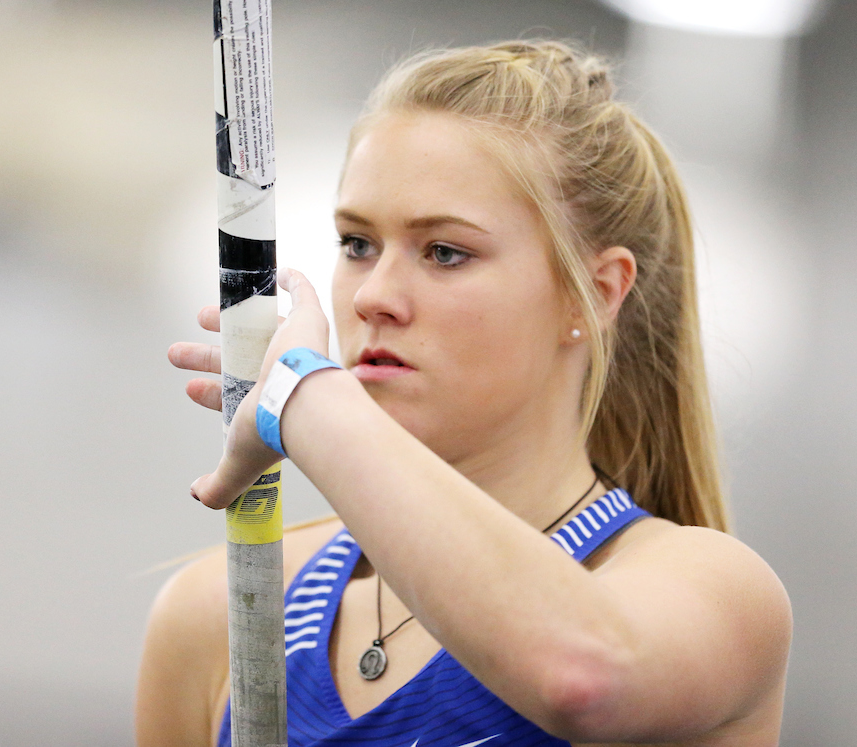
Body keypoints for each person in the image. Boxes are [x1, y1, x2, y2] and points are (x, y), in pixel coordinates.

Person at [137, 40, 792, 747]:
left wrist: (305, 394)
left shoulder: (712, 592)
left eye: (445, 252)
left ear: (594, 293)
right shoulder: (223, 614)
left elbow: (581, 677)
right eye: (357, 244)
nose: (375, 296)